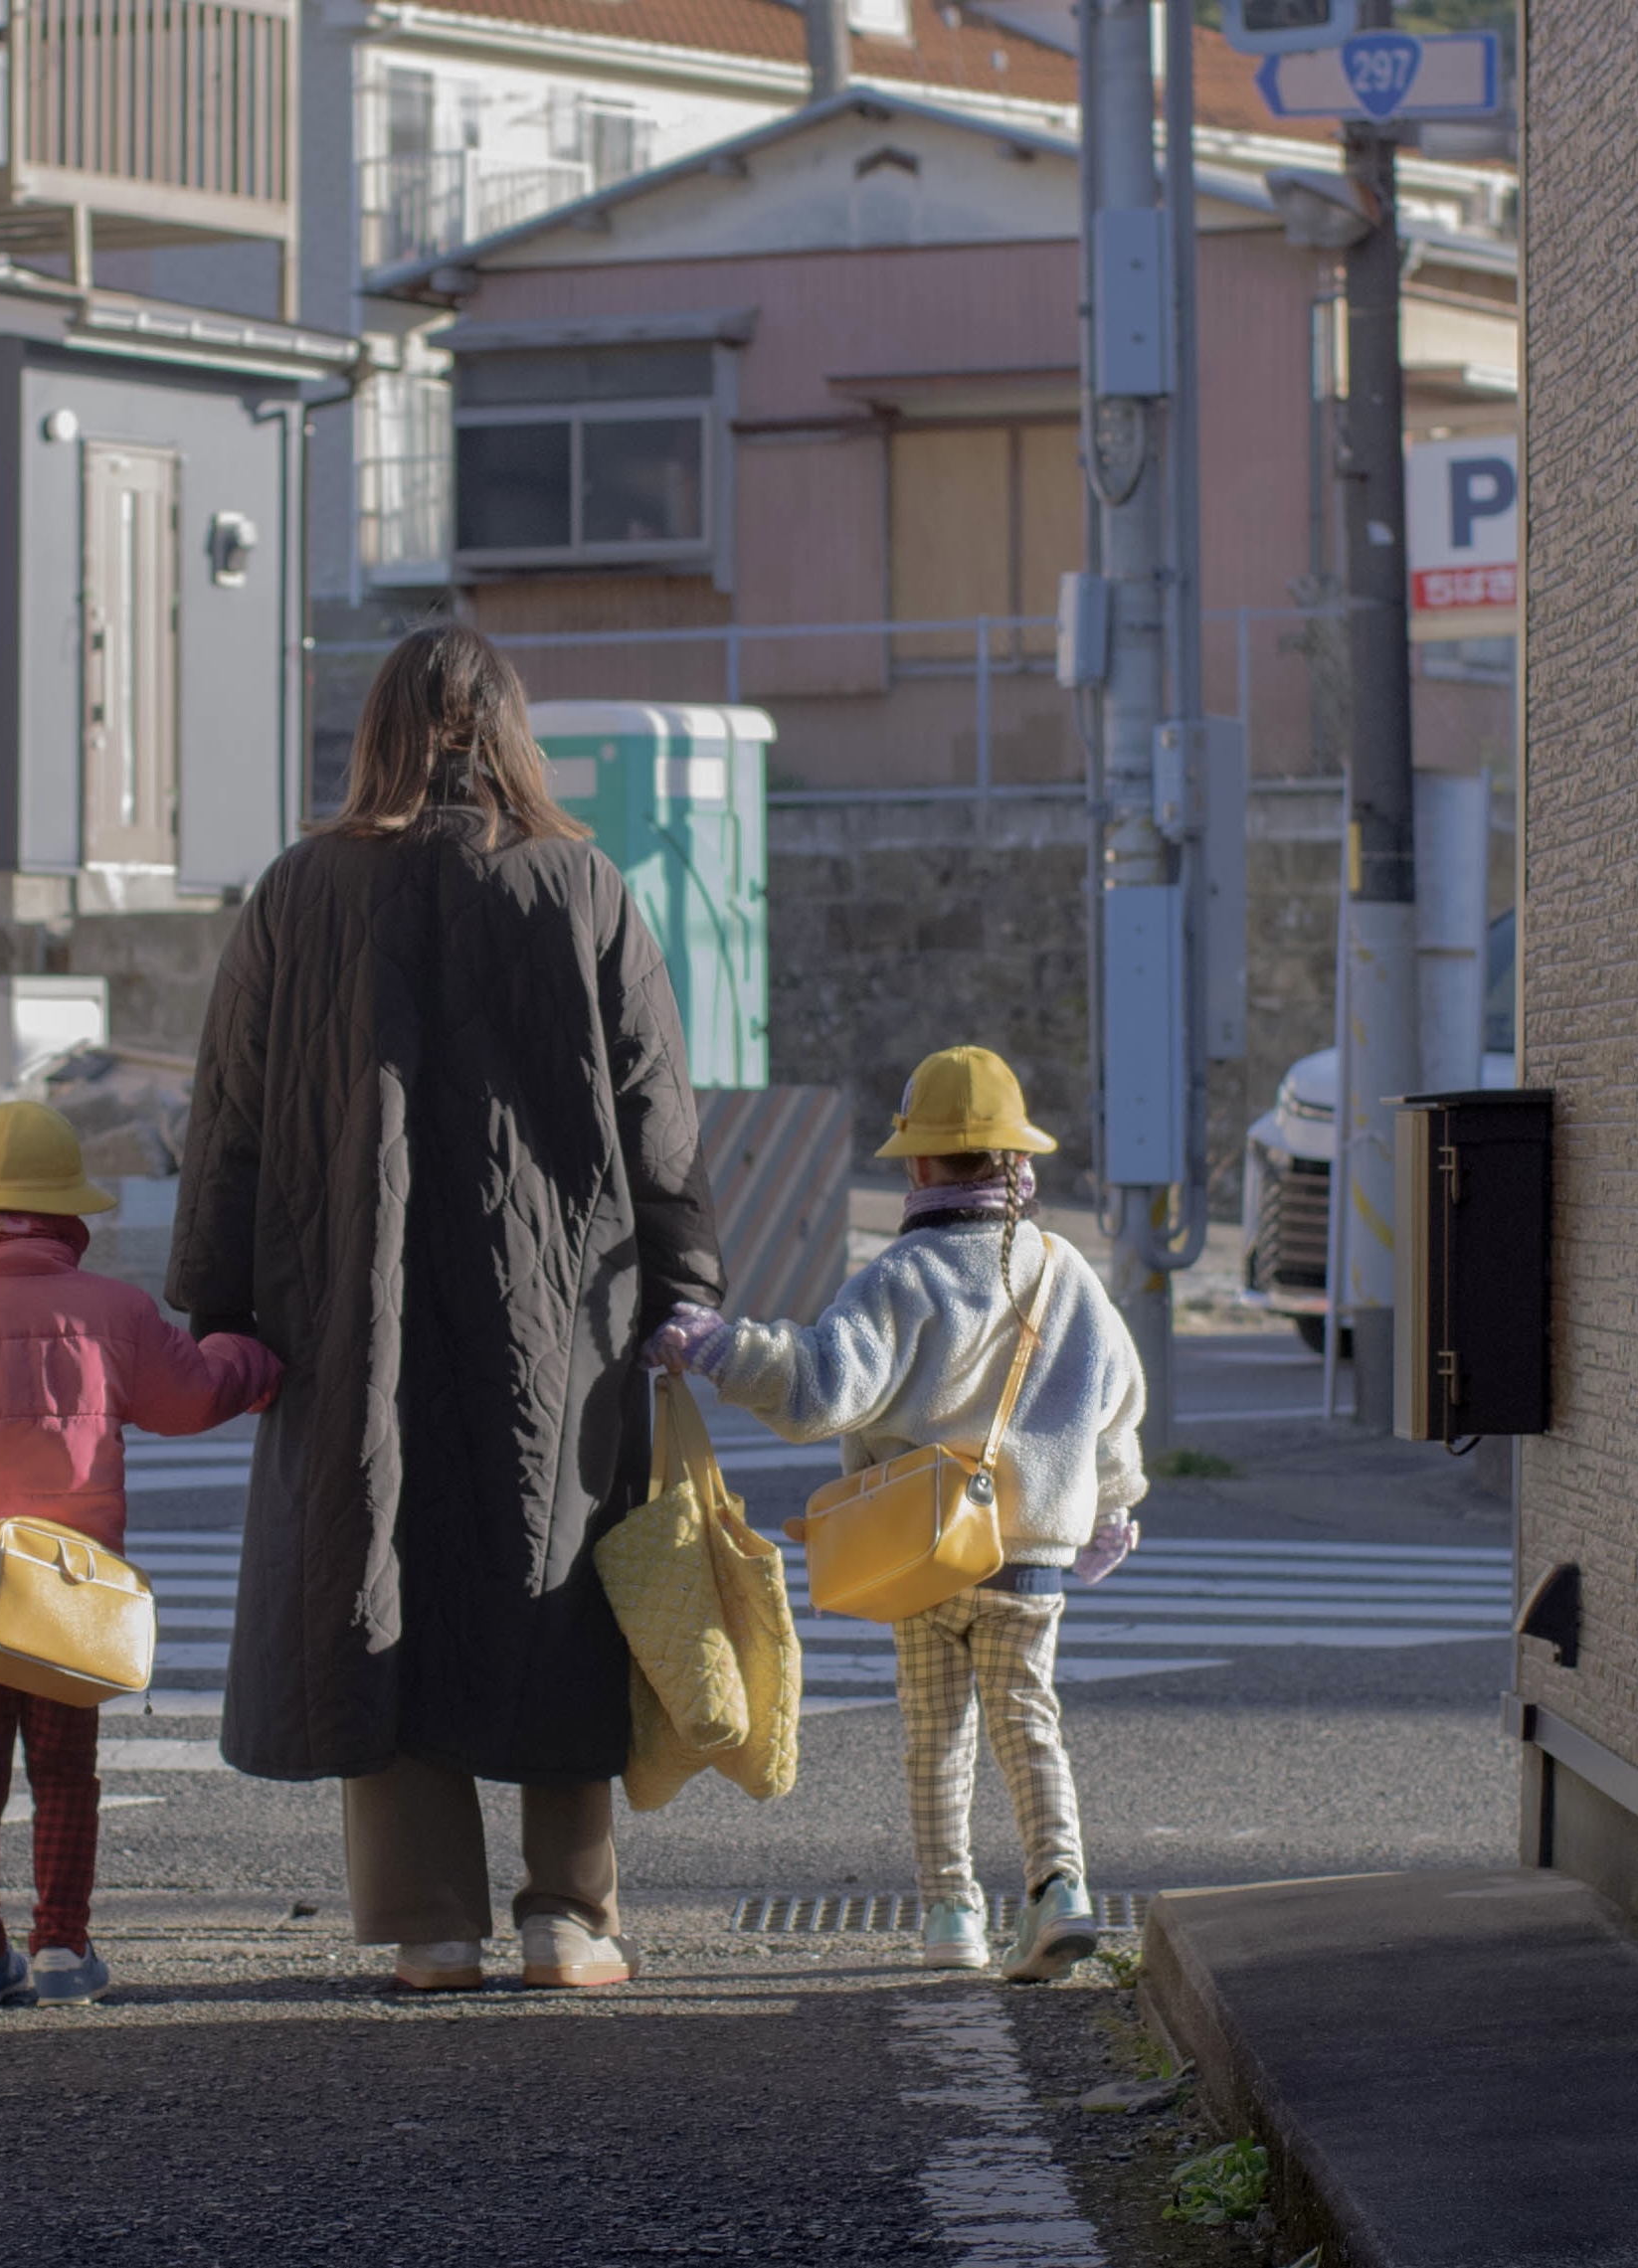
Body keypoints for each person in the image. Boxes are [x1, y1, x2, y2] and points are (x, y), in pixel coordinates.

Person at [170, 622, 724, 1994]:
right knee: (552, 1573)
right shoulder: (581, 883)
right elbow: (656, 1107)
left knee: (378, 1565)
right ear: (513, 733)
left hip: (343, 1300)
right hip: (562, 1303)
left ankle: (424, 1923)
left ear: (374, 733)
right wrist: (683, 1282)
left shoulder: (300, 891)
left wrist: (221, 1303)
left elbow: (230, 1111)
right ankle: (567, 1916)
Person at [648, 1045, 1146, 1982]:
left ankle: (950, 1912)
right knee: (1027, 1719)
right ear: (1018, 1161)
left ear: (917, 1164)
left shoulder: (897, 1277)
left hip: (917, 1554)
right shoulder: (1065, 1272)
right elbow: (1113, 1398)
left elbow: (818, 1387)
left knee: (933, 1736)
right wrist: (1117, 1501)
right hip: (1029, 1554)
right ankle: (1060, 1889)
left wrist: (721, 1348)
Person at [0, 1100, 280, 2008]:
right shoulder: (111, 1311)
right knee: (67, 1773)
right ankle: (63, 1946)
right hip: (73, 1598)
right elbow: (192, 1397)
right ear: (69, 1213)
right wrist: (253, 1357)